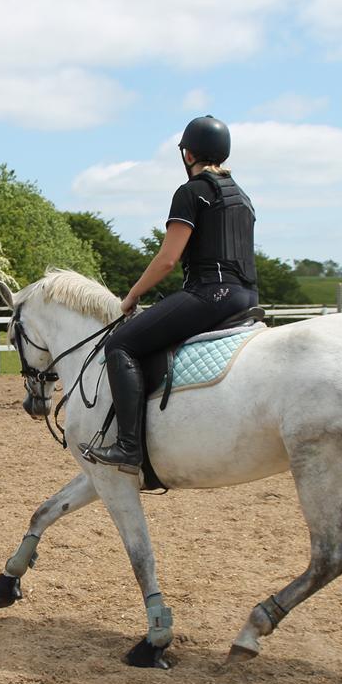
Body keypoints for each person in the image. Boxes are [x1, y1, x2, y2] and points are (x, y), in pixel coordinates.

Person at [81, 115, 259, 474]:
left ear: (187, 153)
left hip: (211, 293)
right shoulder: (242, 197)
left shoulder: (191, 192)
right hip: (247, 297)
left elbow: (167, 260)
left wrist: (131, 295)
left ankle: (129, 447)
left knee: (121, 345)